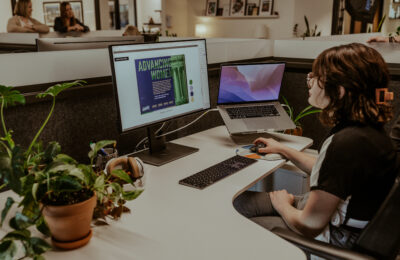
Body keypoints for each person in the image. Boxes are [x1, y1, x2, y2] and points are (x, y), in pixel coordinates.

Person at [233, 43, 398, 249]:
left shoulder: (348, 143)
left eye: (316, 77)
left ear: (339, 91)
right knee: (236, 204)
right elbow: (333, 173)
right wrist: (283, 149)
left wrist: (282, 205)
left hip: (334, 237)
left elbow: (310, 225)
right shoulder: (365, 130)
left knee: (237, 227)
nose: (309, 82)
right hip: (330, 217)